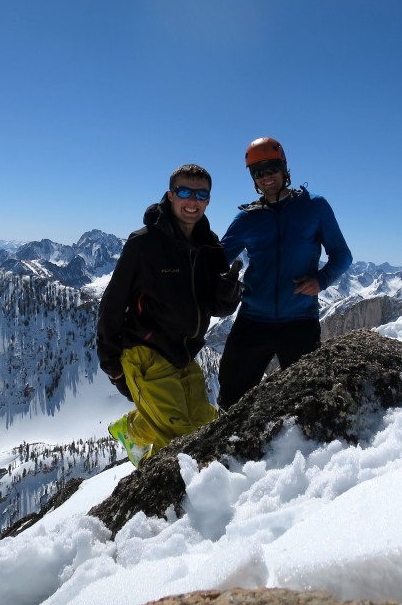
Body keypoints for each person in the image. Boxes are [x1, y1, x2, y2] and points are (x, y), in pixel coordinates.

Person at [96, 164, 241, 467]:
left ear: (209, 200)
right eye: (184, 192)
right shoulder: (144, 243)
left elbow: (214, 307)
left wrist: (228, 295)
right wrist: (111, 364)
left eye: (200, 194)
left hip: (184, 354)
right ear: (170, 195)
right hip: (145, 354)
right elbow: (113, 303)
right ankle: (169, 508)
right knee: (184, 446)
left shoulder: (209, 246)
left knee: (205, 427)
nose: (192, 201)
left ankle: (131, 430)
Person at [217, 137, 352, 409]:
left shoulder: (315, 207)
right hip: (252, 319)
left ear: (284, 168)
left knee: (306, 399)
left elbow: (342, 255)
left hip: (299, 321)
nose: (265, 177)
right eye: (258, 172)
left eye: (270, 168)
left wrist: (321, 280)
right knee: (231, 395)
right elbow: (215, 261)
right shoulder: (247, 219)